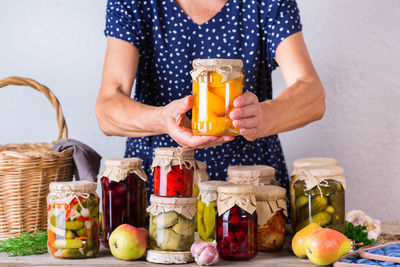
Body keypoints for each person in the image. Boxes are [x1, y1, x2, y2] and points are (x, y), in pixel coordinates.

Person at [96, 0, 326, 195]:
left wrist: (265, 116)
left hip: (252, 188)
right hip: (161, 186)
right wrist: (161, 120)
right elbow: (107, 109)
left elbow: (312, 94)